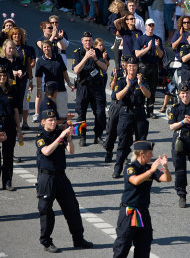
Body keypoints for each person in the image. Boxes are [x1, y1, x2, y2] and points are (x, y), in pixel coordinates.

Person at [36, 109, 93, 253]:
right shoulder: (40, 136)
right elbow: (47, 151)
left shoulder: (58, 133)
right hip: (47, 178)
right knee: (46, 211)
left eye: (55, 120)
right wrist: (60, 137)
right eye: (50, 120)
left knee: (72, 208)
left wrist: (68, 138)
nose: (53, 122)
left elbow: (71, 151)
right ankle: (47, 242)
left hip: (61, 176)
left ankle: (78, 239)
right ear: (43, 122)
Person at [113, 141, 171, 258]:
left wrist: (165, 167)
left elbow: (167, 179)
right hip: (129, 213)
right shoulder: (131, 168)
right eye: (150, 153)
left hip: (143, 212)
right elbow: (135, 180)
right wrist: (150, 171)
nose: (152, 156)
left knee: (144, 246)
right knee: (123, 246)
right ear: (141, 154)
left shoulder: (149, 168)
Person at [112, 57, 151, 179]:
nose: (132, 68)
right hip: (126, 113)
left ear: (137, 67)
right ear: (126, 67)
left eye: (134, 66)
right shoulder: (121, 81)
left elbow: (149, 95)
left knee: (141, 143)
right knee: (123, 143)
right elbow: (117, 96)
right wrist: (127, 87)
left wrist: (141, 85)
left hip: (139, 113)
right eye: (129, 66)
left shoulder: (142, 80)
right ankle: (118, 169)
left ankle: (140, 169)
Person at [72, 32, 107, 146]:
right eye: (86, 40)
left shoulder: (97, 52)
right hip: (83, 86)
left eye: (90, 40)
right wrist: (86, 57)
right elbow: (76, 70)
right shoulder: (78, 53)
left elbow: (105, 67)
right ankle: (82, 136)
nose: (88, 42)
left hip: (97, 86)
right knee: (81, 112)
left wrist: (96, 59)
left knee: (100, 112)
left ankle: (98, 136)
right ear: (82, 41)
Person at [35, 40, 74, 121]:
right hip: (49, 91)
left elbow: (64, 71)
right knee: (49, 112)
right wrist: (38, 90)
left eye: (48, 47)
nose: (46, 49)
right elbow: (38, 77)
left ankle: (62, 130)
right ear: (42, 49)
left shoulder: (58, 57)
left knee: (62, 112)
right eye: (44, 47)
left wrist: (69, 83)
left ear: (51, 47)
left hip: (61, 88)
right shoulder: (40, 61)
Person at [134, 19, 164, 119]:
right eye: (149, 25)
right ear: (146, 26)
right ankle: (141, 109)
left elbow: (160, 55)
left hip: (154, 66)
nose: (151, 27)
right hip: (143, 66)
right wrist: (147, 48)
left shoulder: (157, 39)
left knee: (153, 89)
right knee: (142, 87)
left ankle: (150, 111)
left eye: (152, 25)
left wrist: (157, 47)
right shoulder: (140, 39)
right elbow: (137, 54)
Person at [0, 66, 23, 191]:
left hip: (9, 124)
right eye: (0, 75)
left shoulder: (12, 90)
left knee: (8, 155)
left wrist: (18, 129)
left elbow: (15, 110)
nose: (2, 77)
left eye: (4, 75)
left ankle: (7, 182)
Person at [104, 57, 128, 163]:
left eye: (126, 63)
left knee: (125, 132)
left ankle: (124, 153)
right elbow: (111, 87)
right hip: (116, 105)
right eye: (123, 62)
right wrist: (114, 79)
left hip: (127, 106)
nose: (124, 65)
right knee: (111, 130)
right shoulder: (117, 72)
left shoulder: (135, 75)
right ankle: (109, 151)